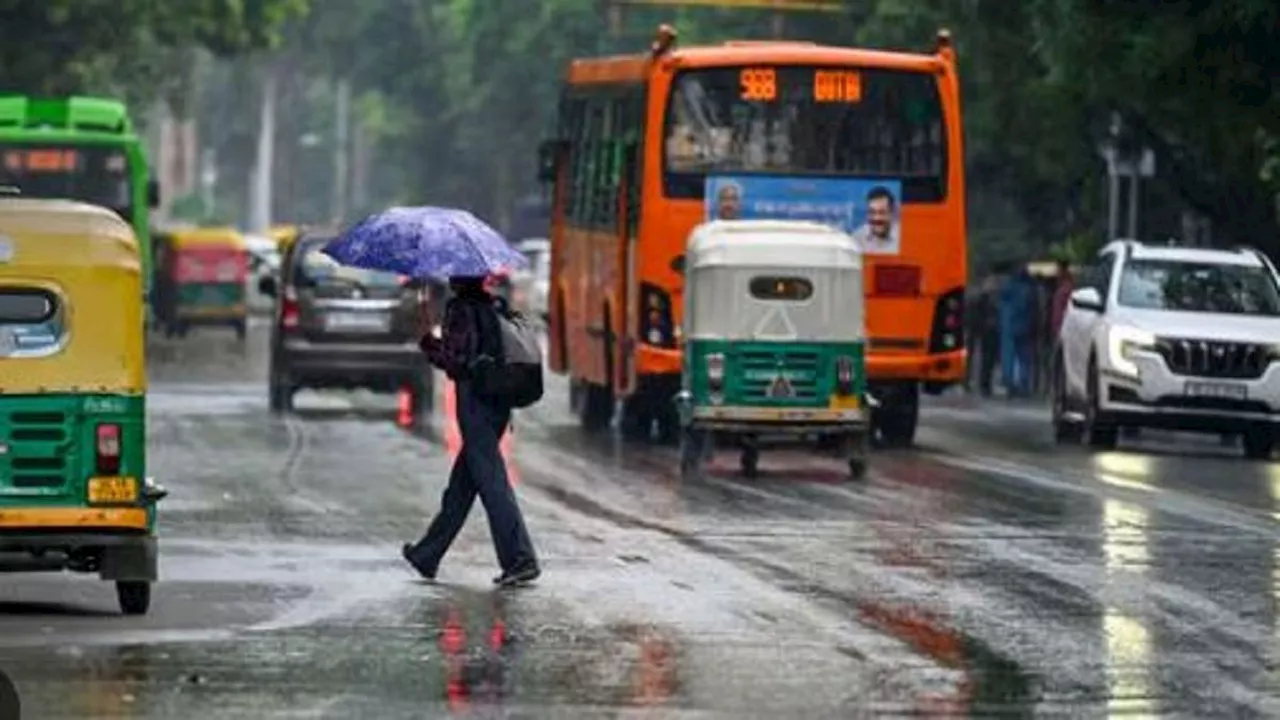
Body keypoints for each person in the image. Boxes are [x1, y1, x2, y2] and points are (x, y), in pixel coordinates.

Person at [403, 276, 540, 587]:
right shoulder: (495, 306)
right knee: (462, 487)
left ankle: (520, 559)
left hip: (476, 405)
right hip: (498, 404)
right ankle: (428, 554)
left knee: (491, 483)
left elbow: (457, 362)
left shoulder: (462, 310)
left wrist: (429, 343)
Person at [998, 265, 1035, 397]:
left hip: (1009, 325)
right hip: (1025, 325)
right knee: (1024, 357)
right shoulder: (1029, 290)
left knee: (1009, 355)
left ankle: (1010, 384)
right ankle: (1023, 384)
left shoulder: (1009, 288)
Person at [850, 186, 901, 255]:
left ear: (892, 212)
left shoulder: (904, 237)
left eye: (882, 212)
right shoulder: (857, 238)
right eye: (872, 212)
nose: (876, 218)